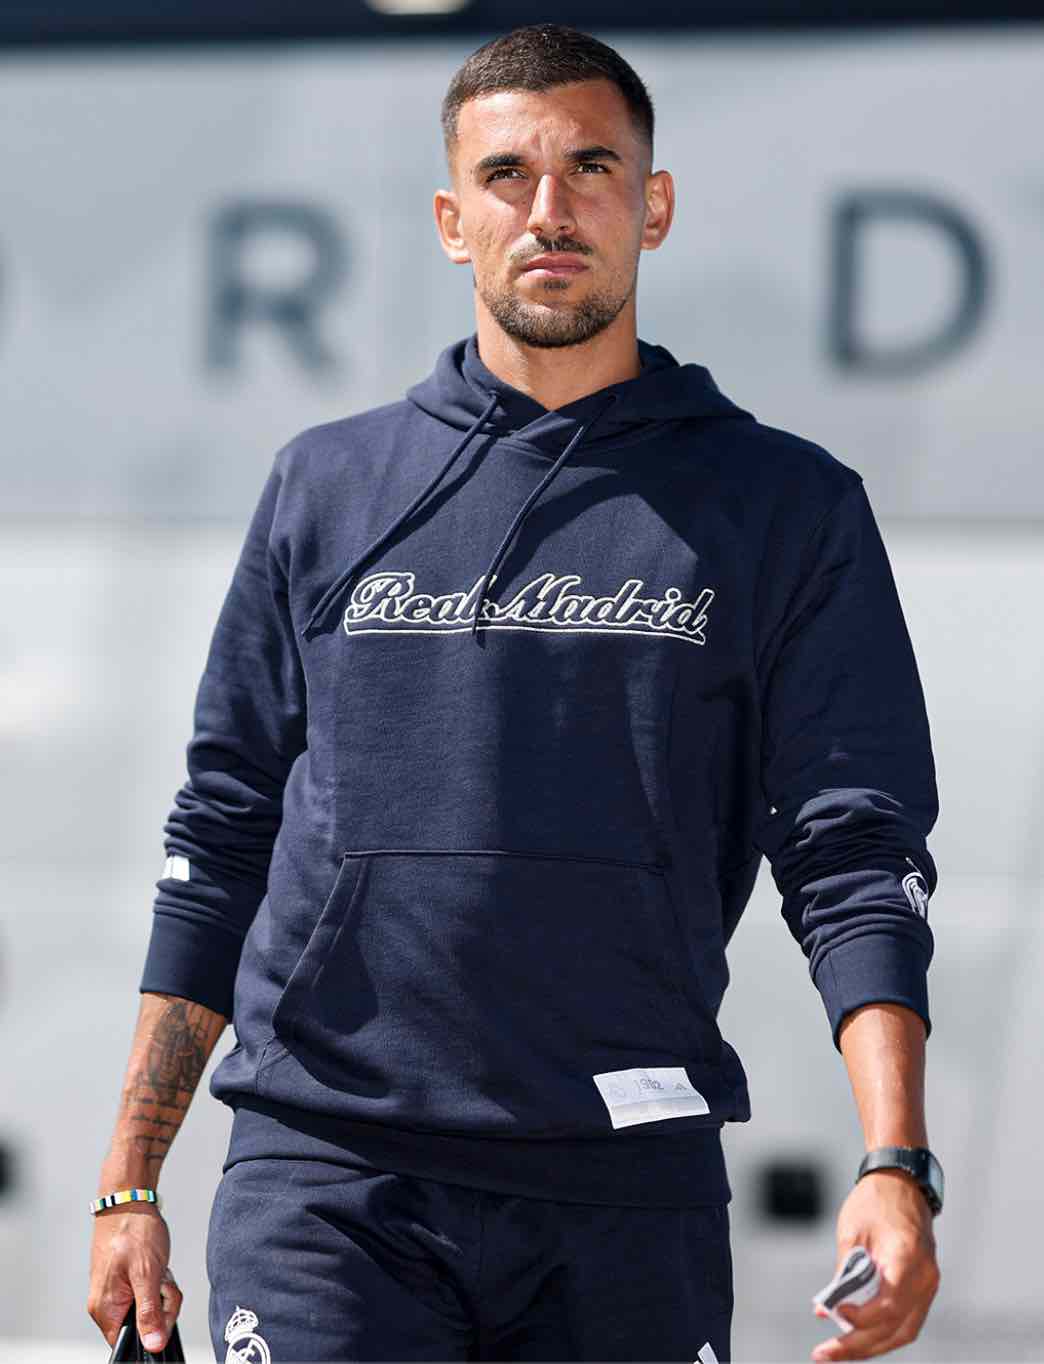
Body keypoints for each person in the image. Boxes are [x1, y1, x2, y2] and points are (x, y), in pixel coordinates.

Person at [88, 23, 943, 1364]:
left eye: (591, 168)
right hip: (329, 1179)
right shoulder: (326, 487)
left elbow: (855, 852)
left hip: (628, 1185)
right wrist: (129, 1182)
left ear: (653, 206)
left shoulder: (785, 505)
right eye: (505, 175)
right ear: (451, 220)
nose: (549, 209)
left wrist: (896, 1162)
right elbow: (220, 836)